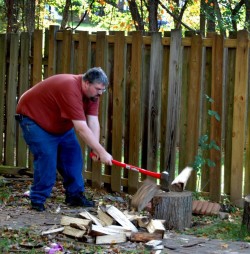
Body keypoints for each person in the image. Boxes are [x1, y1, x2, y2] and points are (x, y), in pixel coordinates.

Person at [16, 67, 113, 212]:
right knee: (47, 158)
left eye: (103, 90)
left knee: (73, 158)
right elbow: (81, 128)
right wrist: (102, 151)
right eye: (98, 89)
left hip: (59, 124)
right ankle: (38, 199)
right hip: (34, 119)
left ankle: (75, 196)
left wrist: (96, 148)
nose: (100, 93)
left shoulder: (93, 96)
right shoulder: (69, 88)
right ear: (86, 83)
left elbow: (93, 121)